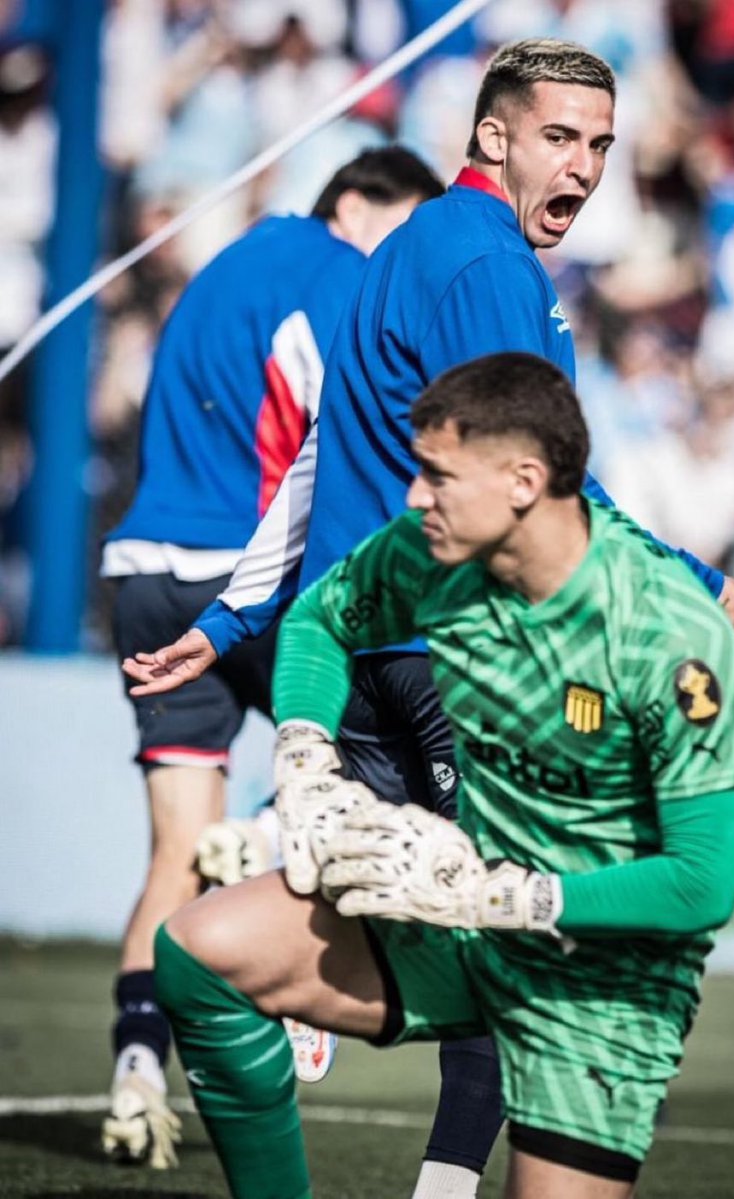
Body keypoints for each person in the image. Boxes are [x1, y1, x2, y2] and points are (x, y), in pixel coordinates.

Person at [124, 37, 734, 1197]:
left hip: (367, 649)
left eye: (601, 147)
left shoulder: (406, 250)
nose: (583, 167)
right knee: (520, 941)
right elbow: (538, 480)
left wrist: (233, 626)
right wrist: (692, 576)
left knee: (241, 951)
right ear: (491, 135)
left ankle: (293, 858)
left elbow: (320, 457)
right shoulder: (483, 265)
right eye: (560, 137)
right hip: (459, 660)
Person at [152, 351, 734, 1199]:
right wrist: (304, 756)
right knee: (199, 950)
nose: (412, 497)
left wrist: (500, 898)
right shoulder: (428, 552)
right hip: (462, 930)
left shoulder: (667, 633)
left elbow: (701, 885)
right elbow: (322, 618)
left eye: (437, 476)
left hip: (599, 981)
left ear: (522, 480)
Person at [100, 146, 444, 1169]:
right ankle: (266, 849)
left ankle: (134, 1070)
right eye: (408, 227)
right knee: (356, 775)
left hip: (143, 569)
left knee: (172, 849)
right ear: (357, 203)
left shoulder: (220, 265)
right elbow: (337, 423)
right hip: (244, 572)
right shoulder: (339, 275)